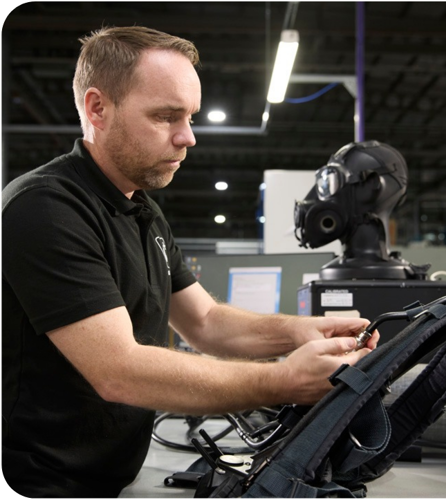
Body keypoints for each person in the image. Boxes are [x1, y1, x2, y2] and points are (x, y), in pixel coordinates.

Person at [1, 26, 379, 498]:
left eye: (190, 117)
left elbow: (205, 321)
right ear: (97, 108)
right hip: (38, 483)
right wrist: (285, 379)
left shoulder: (142, 211)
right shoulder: (46, 207)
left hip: (110, 477)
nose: (188, 137)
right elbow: (119, 370)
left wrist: (299, 331)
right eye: (166, 116)